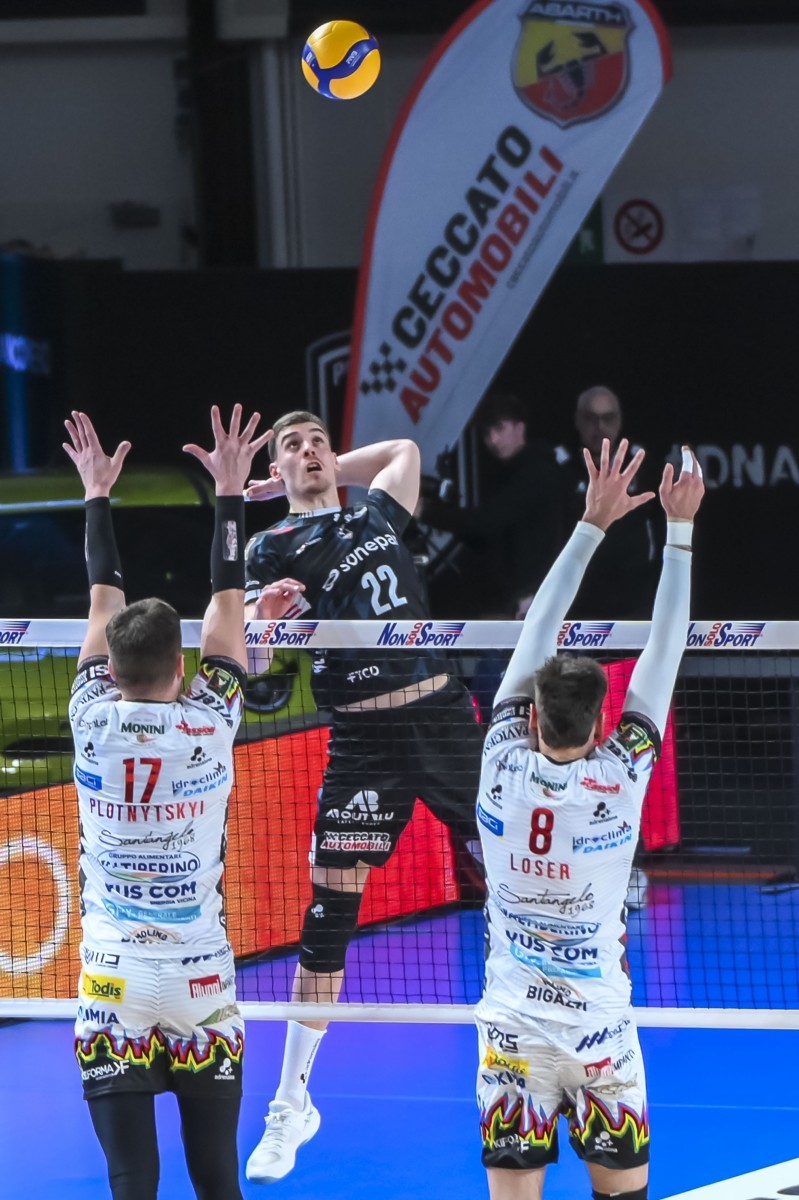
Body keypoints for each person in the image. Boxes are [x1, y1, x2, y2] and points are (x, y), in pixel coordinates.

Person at [242, 410, 484, 1183]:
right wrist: (263, 625)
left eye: (318, 441)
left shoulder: (375, 512)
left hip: (442, 718)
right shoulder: (268, 548)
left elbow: (404, 449)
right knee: (328, 919)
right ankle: (290, 1106)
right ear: (275, 470)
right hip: (362, 740)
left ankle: (554, 1037)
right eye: (293, 445)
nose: (310, 450)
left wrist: (323, 463)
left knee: (517, 878)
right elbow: (255, 664)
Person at [475, 438, 704, 1200]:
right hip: (598, 1034)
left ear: (529, 717)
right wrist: (679, 532)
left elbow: (535, 630)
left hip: (511, 1035)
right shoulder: (621, 775)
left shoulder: (499, 762)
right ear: (601, 723)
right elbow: (664, 651)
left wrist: (588, 525)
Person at [65, 404, 271, 1200]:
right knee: (216, 1179)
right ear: (180, 668)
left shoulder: (89, 715)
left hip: (112, 979)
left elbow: (100, 598)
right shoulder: (211, 718)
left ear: (111, 671)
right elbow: (227, 598)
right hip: (200, 981)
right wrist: (230, 493)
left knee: (131, 1180)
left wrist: (96, 494)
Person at [422, 392, 564, 616]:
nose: (493, 440)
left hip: (533, 599)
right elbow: (485, 535)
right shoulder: (509, 473)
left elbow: (486, 523)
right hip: (513, 599)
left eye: (499, 428)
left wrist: (425, 511)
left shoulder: (536, 473)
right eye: (487, 433)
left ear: (520, 427)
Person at [557, 387, 658, 620]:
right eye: (591, 418)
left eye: (608, 418)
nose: (599, 426)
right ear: (578, 420)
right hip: (577, 596)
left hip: (633, 597)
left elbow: (658, 525)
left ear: (619, 420)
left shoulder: (640, 462)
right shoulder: (560, 467)